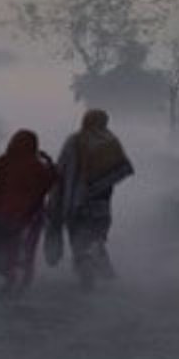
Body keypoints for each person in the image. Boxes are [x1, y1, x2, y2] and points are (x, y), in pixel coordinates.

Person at [45, 109, 134, 289]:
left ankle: (85, 269)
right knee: (97, 236)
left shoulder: (74, 140)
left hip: (76, 200)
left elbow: (61, 169)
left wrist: (58, 192)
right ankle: (99, 266)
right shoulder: (111, 142)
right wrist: (99, 184)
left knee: (78, 237)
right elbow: (122, 169)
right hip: (101, 202)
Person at [0, 130, 57, 293]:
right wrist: (49, 161)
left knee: (8, 248)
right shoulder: (37, 166)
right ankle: (24, 280)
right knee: (27, 249)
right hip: (31, 216)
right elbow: (50, 183)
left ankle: (10, 279)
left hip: (4, 215)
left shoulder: (2, 162)